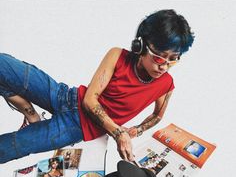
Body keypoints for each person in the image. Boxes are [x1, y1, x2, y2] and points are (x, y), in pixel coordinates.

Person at [0, 9, 194, 164]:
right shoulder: (117, 55)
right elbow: (90, 101)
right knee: (3, 64)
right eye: (159, 57)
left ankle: (31, 118)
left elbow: (157, 115)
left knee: (6, 148)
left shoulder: (166, 85)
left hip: (75, 128)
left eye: (173, 60)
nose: (164, 66)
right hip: (64, 96)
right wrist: (118, 133)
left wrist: (136, 130)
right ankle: (30, 114)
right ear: (141, 46)